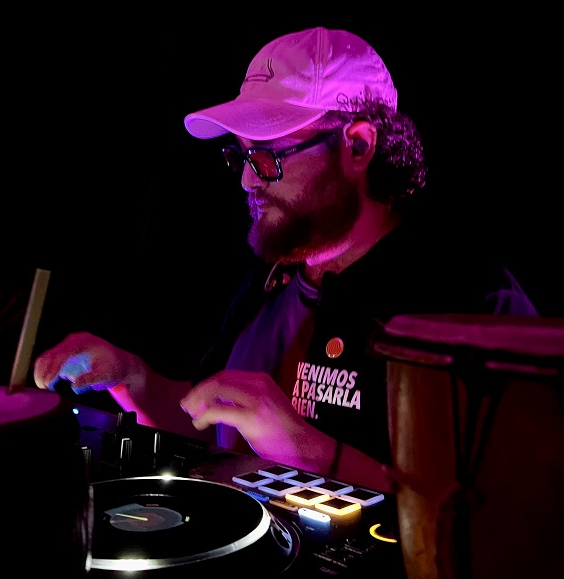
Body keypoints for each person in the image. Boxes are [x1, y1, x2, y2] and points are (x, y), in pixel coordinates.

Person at [34, 26, 538, 494]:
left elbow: (504, 510)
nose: (247, 180)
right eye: (240, 156)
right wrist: (132, 380)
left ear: (358, 145)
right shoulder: (271, 277)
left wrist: (307, 450)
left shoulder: (468, 302)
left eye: (269, 157)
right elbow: (211, 425)